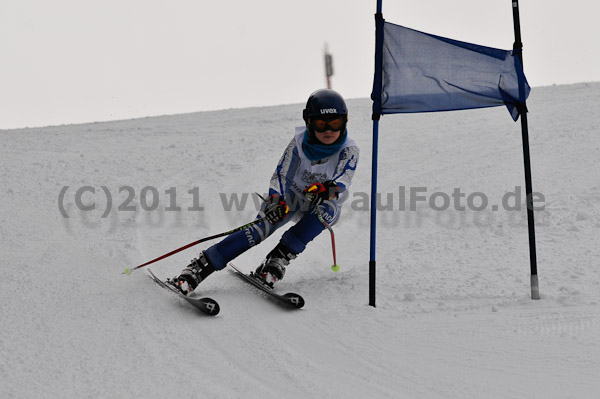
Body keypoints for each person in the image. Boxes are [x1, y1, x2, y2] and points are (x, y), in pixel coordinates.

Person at [168, 89, 360, 295]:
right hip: (290, 198)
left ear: (345, 121)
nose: (329, 130)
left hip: (319, 203)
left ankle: (276, 260)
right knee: (260, 230)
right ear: (309, 122)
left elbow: (343, 180)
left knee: (329, 210)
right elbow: (282, 176)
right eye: (321, 124)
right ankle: (198, 269)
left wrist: (327, 189)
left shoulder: (349, 150)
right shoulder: (298, 144)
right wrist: (276, 200)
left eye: (335, 123)